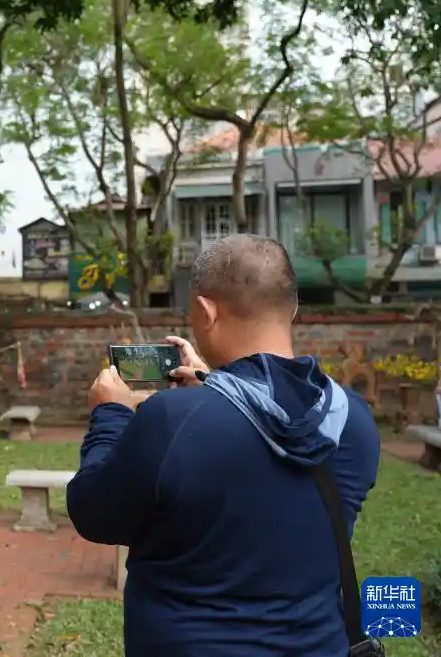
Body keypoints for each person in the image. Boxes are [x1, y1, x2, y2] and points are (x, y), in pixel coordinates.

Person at [67, 234, 380, 657]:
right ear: (292, 309)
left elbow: (95, 515)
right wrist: (217, 383)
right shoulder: (353, 419)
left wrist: (110, 414)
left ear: (205, 310)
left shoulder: (172, 419)